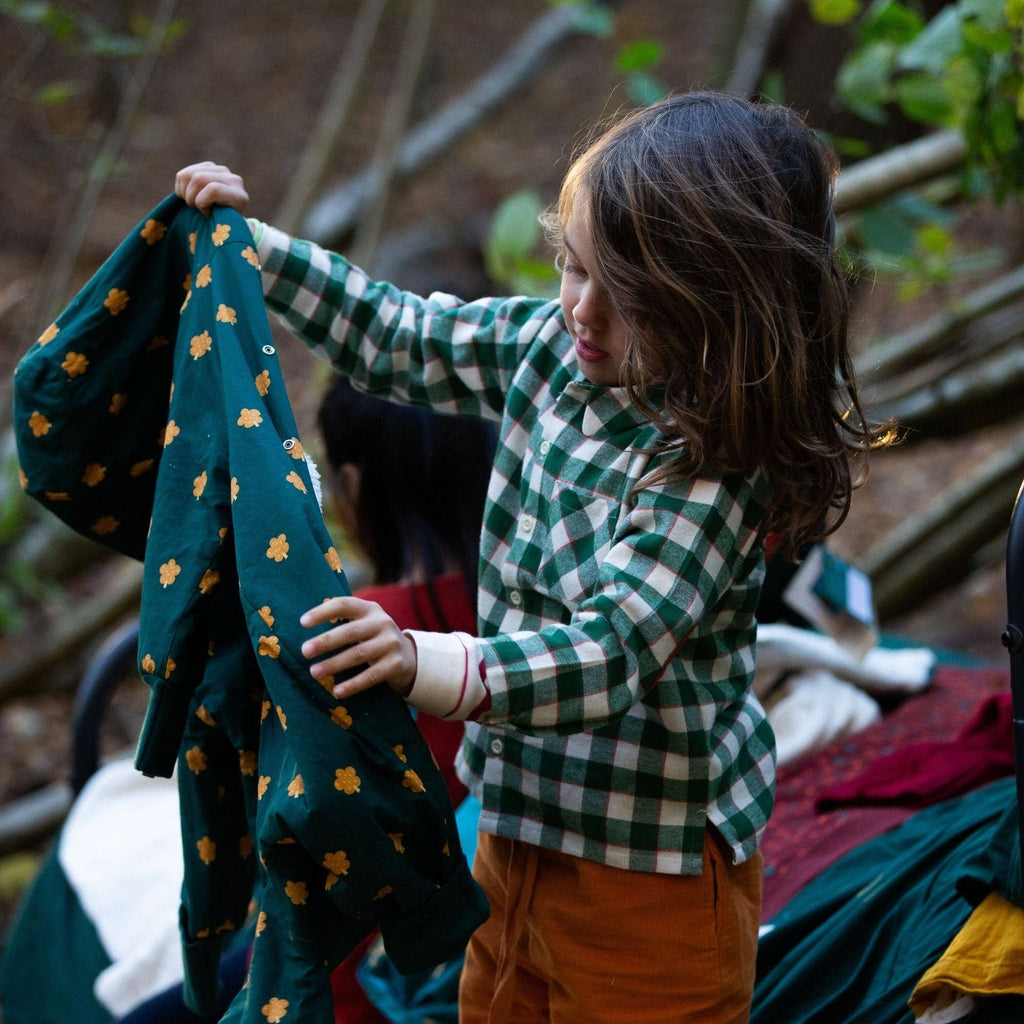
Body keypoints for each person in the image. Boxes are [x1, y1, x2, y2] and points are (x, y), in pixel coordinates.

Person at [175, 90, 893, 1023]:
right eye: (573, 267)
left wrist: (420, 658)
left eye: (627, 299)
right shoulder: (550, 348)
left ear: (721, 313)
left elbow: (609, 653)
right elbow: (401, 335)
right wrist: (255, 254)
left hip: (650, 880)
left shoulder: (709, 469)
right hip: (514, 833)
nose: (582, 311)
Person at [316, 375, 496, 1024]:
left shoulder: (345, 637)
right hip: (491, 967)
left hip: (360, 991)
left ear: (354, 486)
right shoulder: (537, 626)